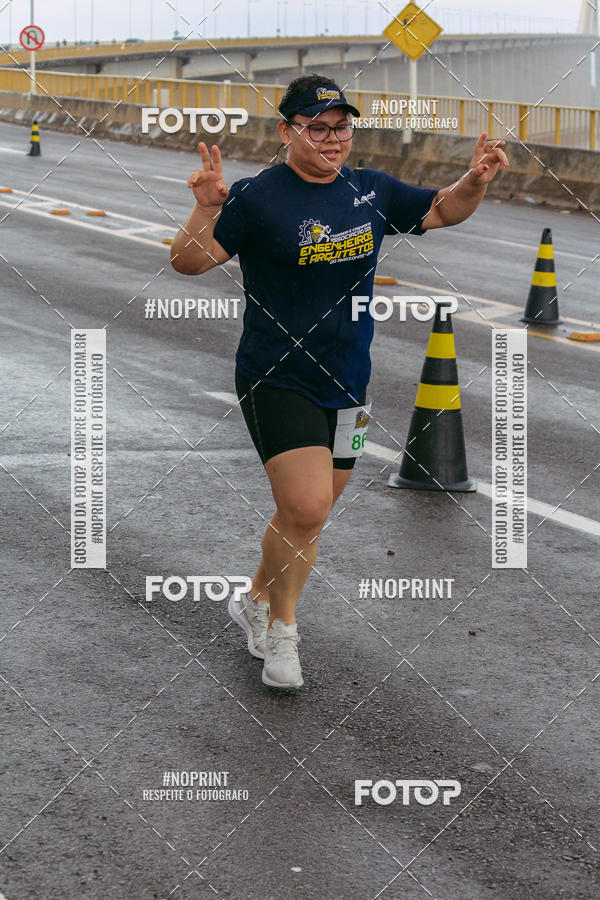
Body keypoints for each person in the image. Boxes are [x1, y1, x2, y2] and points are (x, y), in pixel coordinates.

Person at [170, 74, 509, 690]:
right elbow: (188, 260)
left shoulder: (370, 190)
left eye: (341, 127)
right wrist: (206, 206)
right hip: (276, 375)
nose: (332, 139)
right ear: (287, 132)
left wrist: (475, 183)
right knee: (305, 507)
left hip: (348, 380)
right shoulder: (257, 196)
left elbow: (441, 208)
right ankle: (283, 632)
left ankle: (253, 598)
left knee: (306, 519)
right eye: (316, 127)